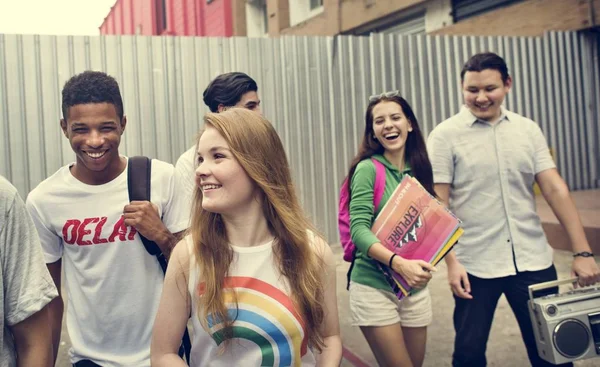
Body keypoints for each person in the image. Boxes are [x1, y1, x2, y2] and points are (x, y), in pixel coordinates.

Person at [426, 52, 600, 367]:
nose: (480, 98)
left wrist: (583, 252)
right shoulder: (444, 136)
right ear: (462, 88)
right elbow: (439, 203)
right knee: (468, 354)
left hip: (532, 259)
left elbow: (554, 188)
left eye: (489, 88)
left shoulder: (527, 130)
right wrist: (451, 262)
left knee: (556, 354)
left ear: (508, 84)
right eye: (471, 90)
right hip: (474, 264)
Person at [151, 108, 342, 366]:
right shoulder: (189, 255)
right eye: (200, 159)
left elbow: (329, 338)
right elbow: (164, 354)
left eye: (217, 156)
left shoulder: (313, 251)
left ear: (259, 165)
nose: (200, 171)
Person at [25, 71, 189, 366]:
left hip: (161, 355)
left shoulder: (161, 179)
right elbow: (49, 299)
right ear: (64, 128)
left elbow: (198, 272)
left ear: (123, 124)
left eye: (106, 128)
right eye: (81, 129)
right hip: (89, 359)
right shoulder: (44, 200)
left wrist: (162, 235)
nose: (95, 141)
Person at [347, 92, 437, 367]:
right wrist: (399, 263)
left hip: (414, 289)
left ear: (409, 124)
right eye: (379, 121)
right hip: (374, 287)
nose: (388, 125)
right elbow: (359, 230)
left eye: (395, 117)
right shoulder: (367, 169)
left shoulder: (420, 170)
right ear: (373, 132)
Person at [175, 72, 261, 209]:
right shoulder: (188, 162)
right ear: (223, 110)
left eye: (257, 105)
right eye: (250, 106)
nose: (259, 113)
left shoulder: (262, 150)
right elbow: (192, 219)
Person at [1, 175, 58, 367]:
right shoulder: (43, 199)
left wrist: (158, 235)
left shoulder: (3, 198)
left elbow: (33, 337)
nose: (95, 142)